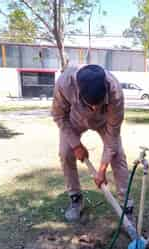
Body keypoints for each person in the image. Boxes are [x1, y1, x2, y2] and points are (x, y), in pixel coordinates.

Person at [51, 64, 133, 221]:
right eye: (91, 104)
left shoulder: (115, 92)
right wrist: (76, 145)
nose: (95, 108)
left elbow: (112, 137)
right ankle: (75, 199)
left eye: (99, 103)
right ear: (79, 91)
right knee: (65, 152)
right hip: (74, 120)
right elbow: (59, 116)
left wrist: (102, 169)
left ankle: (126, 207)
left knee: (118, 156)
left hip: (104, 122)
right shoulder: (64, 84)